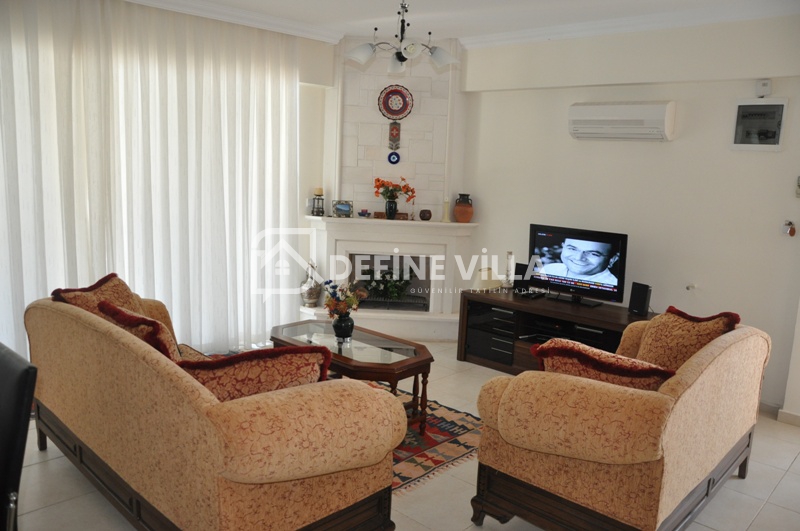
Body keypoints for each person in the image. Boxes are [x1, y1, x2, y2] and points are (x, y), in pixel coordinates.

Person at [541, 238, 619, 286]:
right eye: (572, 249)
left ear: (612, 260)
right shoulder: (549, 269)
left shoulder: (612, 285)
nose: (578, 258)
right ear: (563, 247)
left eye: (593, 254)